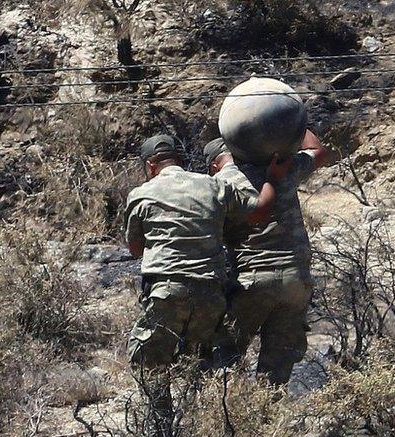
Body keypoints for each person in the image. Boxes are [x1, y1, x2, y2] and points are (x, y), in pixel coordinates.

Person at [124, 134, 281, 383]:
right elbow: (260, 211)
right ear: (181, 160)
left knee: (149, 361)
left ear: (150, 164)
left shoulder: (141, 194)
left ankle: (162, 420)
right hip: (211, 293)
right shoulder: (212, 185)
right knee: (198, 363)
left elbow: (135, 248)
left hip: (167, 291)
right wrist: (274, 178)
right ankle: (200, 415)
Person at [206, 130, 331, 385]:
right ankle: (270, 419)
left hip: (252, 282)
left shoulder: (220, 183)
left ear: (213, 165)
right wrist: (291, 122)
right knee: (278, 367)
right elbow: (318, 151)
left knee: (224, 358)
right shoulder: (284, 168)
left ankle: (228, 417)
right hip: (297, 282)